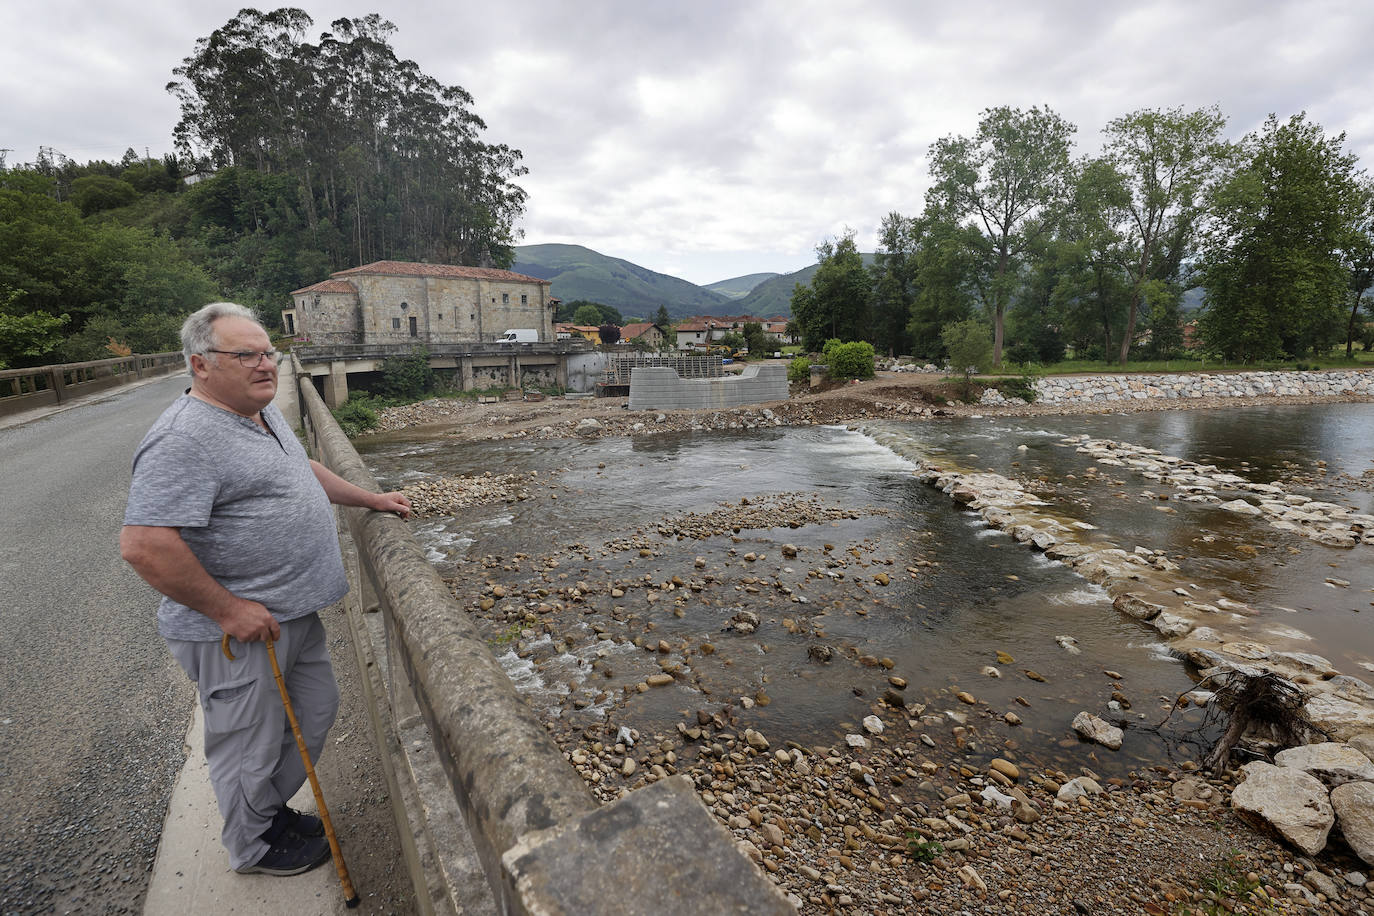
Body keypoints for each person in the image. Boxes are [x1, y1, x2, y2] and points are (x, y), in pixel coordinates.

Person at [120, 302, 411, 876]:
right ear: (201, 365)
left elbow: (301, 468)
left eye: (268, 353)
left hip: (292, 615)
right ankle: (253, 845)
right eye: (245, 354)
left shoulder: (258, 412)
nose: (265, 365)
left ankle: (265, 809)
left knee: (314, 712)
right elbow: (144, 545)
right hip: (239, 632)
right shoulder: (184, 438)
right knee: (247, 741)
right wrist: (228, 610)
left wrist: (370, 498)